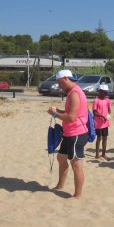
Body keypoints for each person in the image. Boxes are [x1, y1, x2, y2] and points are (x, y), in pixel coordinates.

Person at [47, 70, 89, 199]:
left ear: (66, 78)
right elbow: (70, 112)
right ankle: (60, 185)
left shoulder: (74, 93)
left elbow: (71, 117)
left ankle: (77, 195)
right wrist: (58, 111)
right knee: (61, 158)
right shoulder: (72, 92)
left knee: (76, 164)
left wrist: (54, 114)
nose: (59, 86)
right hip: (69, 132)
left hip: (76, 133)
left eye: (60, 83)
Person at [92, 84, 112, 160]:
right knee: (99, 138)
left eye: (106, 92)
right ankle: (97, 154)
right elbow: (94, 111)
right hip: (98, 123)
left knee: (105, 138)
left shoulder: (107, 100)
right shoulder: (96, 100)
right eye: (104, 92)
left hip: (105, 122)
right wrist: (102, 116)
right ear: (100, 92)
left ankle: (103, 154)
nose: (106, 93)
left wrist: (108, 114)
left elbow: (109, 109)